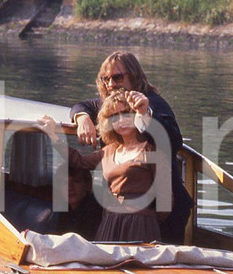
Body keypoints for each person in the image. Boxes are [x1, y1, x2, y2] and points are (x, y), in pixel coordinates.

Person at [69, 51, 194, 243]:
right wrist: (82, 118)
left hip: (163, 211)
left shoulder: (155, 103)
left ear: (134, 76)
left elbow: (173, 140)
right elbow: (81, 105)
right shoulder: (113, 102)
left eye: (117, 77)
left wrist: (145, 114)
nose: (111, 84)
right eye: (105, 79)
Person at [40, 90, 170, 243]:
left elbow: (165, 200)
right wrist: (53, 136)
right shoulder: (109, 151)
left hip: (140, 224)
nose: (121, 120)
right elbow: (79, 161)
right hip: (110, 221)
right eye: (114, 116)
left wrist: (146, 219)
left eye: (125, 113)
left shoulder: (151, 151)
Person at [53, 166, 103, 240]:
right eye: (64, 183)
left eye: (76, 181)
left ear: (88, 185)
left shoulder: (95, 211)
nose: (70, 188)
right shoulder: (64, 210)